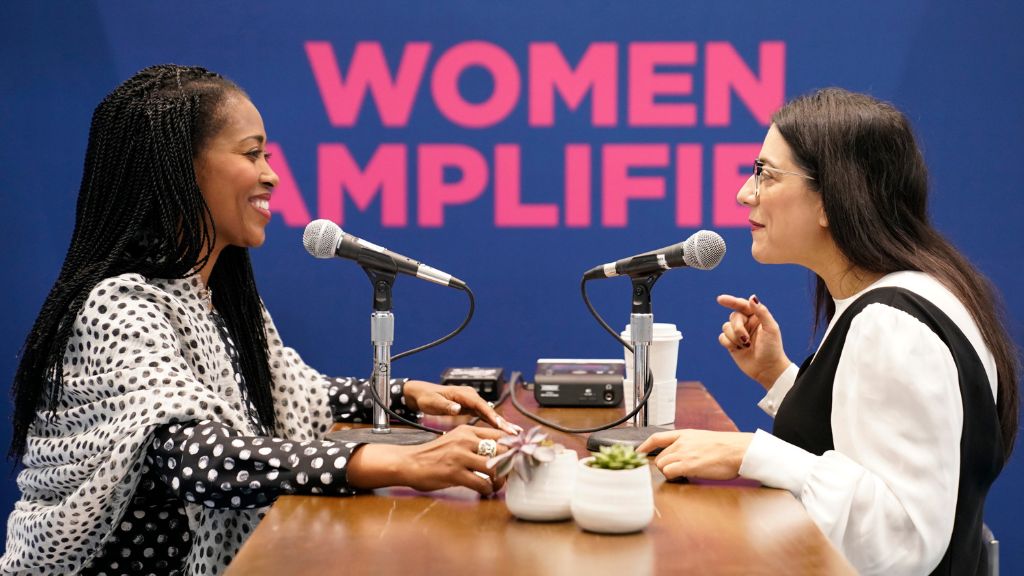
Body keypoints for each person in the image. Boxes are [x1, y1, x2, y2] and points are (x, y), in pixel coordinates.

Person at [1, 64, 519, 576]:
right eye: (252, 154)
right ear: (180, 168)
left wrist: (404, 395)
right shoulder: (116, 308)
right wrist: (400, 462)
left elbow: (291, 394)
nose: (271, 174)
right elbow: (196, 458)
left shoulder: (214, 300)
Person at [639, 88, 1019, 576]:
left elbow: (901, 539)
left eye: (765, 174)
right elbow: (858, 448)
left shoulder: (892, 325)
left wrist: (752, 452)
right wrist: (779, 377)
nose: (744, 193)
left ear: (833, 199)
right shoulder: (915, 294)